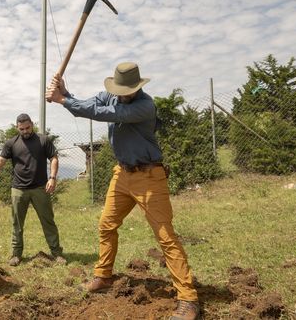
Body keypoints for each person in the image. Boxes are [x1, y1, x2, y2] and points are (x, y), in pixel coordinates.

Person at [47, 62, 199, 320]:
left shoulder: (145, 106)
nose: (121, 94)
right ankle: (103, 276)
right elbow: (91, 104)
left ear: (137, 88)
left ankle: (188, 299)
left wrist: (62, 100)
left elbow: (105, 113)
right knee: (106, 225)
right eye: (118, 89)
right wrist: (67, 94)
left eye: (126, 90)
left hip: (150, 176)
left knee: (165, 236)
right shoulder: (111, 96)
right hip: (122, 174)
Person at [0, 113, 65, 266]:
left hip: (41, 188)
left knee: (48, 221)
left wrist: (52, 178)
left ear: (32, 125)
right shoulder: (11, 143)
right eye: (22, 129)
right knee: (17, 223)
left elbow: (54, 158)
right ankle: (16, 254)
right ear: (17, 128)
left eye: (27, 128)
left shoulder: (43, 140)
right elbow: (1, 159)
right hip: (18, 189)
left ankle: (56, 253)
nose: (25, 131)